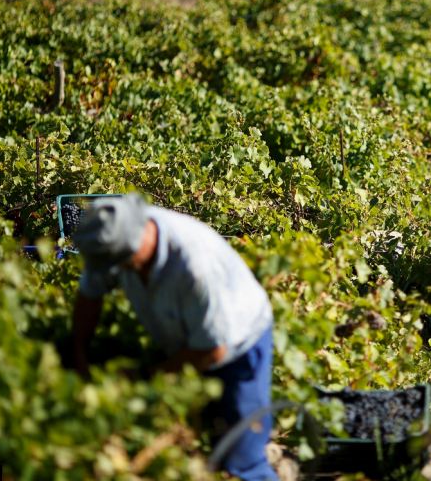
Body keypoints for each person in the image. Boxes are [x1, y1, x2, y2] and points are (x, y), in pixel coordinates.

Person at [71, 193, 277, 481]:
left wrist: (145, 376)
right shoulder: (112, 246)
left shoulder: (195, 265)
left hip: (239, 345)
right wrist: (79, 354)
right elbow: (90, 295)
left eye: (123, 263)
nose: (116, 271)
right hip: (183, 341)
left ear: (138, 243)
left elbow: (213, 350)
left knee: (240, 457)